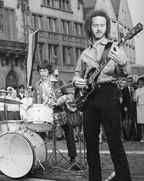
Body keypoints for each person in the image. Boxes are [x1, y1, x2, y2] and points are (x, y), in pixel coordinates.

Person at [73, 10, 131, 181]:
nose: (99, 28)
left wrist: (123, 62)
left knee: (115, 143)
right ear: (90, 28)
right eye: (95, 25)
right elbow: (77, 74)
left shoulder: (114, 47)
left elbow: (125, 73)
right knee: (91, 144)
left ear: (106, 27)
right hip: (89, 98)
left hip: (108, 94)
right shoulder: (85, 53)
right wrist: (77, 81)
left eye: (102, 25)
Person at [33, 60, 78, 168]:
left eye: (44, 70)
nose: (42, 72)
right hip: (44, 113)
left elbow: (70, 95)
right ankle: (40, 159)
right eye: (40, 70)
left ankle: (73, 159)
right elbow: (35, 101)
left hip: (59, 111)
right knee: (39, 135)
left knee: (68, 130)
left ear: (49, 70)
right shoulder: (37, 85)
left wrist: (60, 100)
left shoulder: (58, 82)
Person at [135, 77, 144, 142]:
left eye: (141, 81)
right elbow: (134, 99)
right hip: (139, 107)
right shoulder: (136, 90)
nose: (140, 82)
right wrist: (133, 94)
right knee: (140, 123)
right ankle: (142, 137)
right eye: (139, 81)